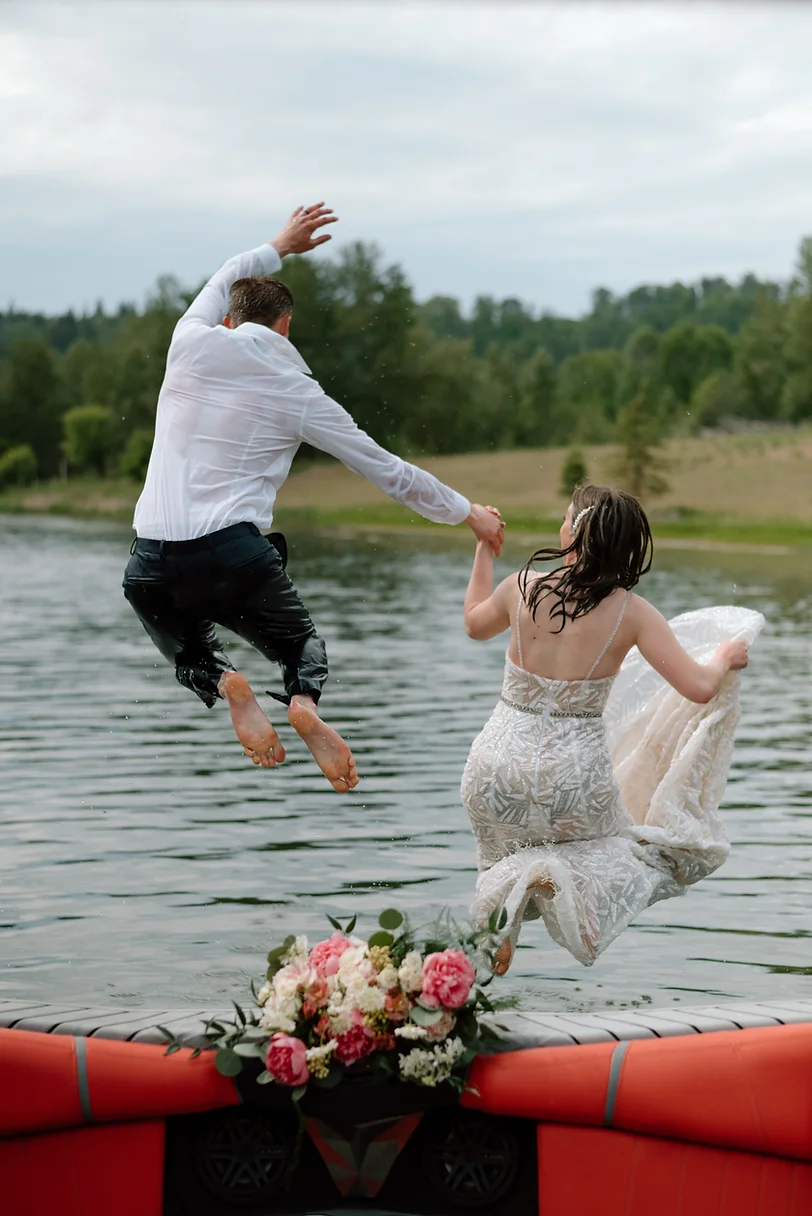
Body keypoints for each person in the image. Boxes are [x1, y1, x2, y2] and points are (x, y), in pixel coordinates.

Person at [123, 203, 504, 794]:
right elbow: (387, 470)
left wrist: (281, 243)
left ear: (228, 319)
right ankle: (301, 702)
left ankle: (226, 685)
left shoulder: (188, 342)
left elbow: (229, 268)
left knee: (186, 647)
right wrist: (469, 512)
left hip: (147, 561)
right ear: (285, 329)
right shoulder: (299, 393)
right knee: (303, 647)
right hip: (232, 554)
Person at [460, 484, 763, 972]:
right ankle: (548, 874)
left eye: (565, 518)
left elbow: (474, 624)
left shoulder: (521, 586)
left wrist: (482, 549)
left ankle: (505, 918)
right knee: (635, 852)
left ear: (576, 533)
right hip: (574, 780)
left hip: (496, 764)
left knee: (497, 860)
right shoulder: (631, 613)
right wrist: (725, 657)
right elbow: (700, 688)